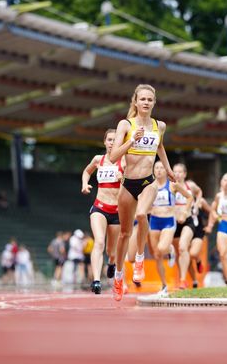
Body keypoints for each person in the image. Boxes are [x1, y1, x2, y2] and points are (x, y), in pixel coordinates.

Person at [109, 84, 175, 301]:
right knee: (125, 234)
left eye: (150, 99)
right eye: (142, 99)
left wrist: (167, 168)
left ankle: (139, 259)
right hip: (128, 183)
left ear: (154, 102)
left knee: (141, 214)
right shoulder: (125, 124)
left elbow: (160, 148)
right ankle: (119, 276)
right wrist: (132, 140)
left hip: (149, 181)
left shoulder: (160, 126)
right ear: (135, 102)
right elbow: (113, 157)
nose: (146, 102)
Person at [81, 128, 126, 294]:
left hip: (117, 212)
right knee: (99, 242)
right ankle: (96, 281)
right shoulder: (98, 159)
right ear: (105, 142)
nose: (112, 143)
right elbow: (86, 171)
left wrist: (124, 179)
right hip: (99, 207)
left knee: (110, 251)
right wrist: (85, 184)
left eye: (115, 140)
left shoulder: (124, 161)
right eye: (109, 140)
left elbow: (132, 183)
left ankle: (112, 263)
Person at [148, 161, 192, 296]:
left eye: (162, 168)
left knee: (162, 248)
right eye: (157, 168)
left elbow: (189, 197)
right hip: (154, 221)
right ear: (153, 171)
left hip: (168, 221)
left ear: (166, 171)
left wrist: (185, 211)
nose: (159, 170)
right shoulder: (149, 187)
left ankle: (170, 249)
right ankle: (164, 285)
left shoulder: (173, 185)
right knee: (157, 255)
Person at [172, 163, 196, 289]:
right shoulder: (169, 186)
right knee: (178, 252)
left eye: (180, 172)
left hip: (187, 221)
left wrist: (195, 206)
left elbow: (198, 193)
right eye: (175, 171)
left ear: (185, 174)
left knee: (182, 248)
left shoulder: (190, 185)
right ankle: (185, 276)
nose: (177, 174)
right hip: (173, 223)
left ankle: (182, 280)